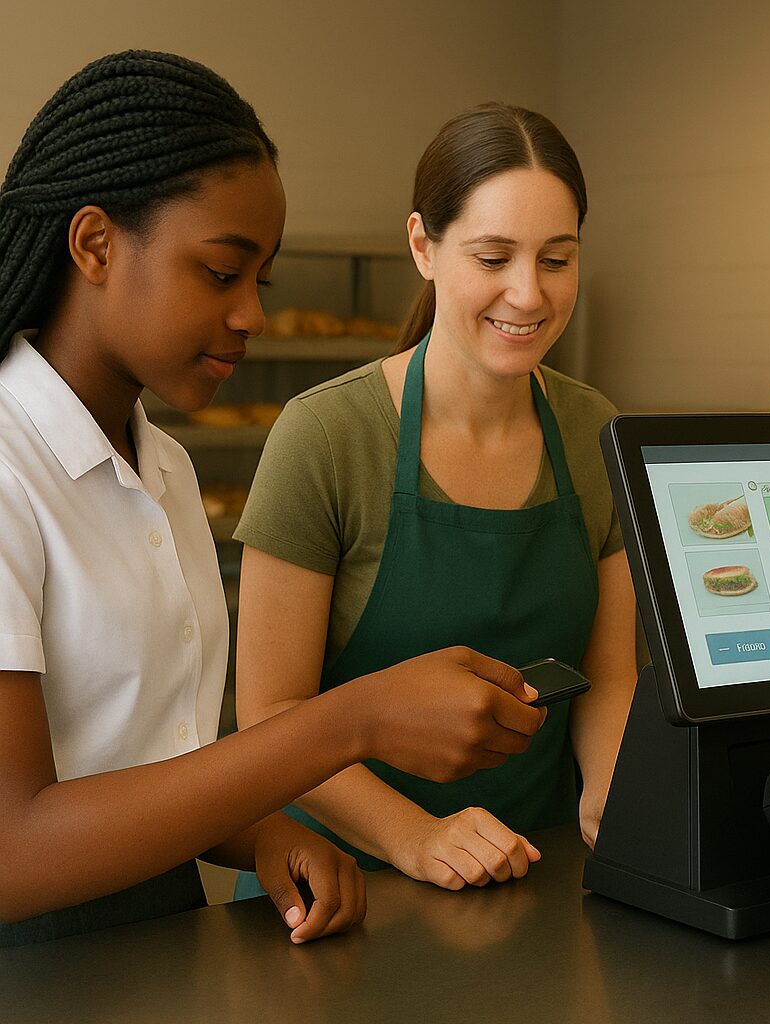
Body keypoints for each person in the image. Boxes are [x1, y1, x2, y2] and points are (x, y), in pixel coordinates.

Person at [0, 52, 549, 946]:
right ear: (96, 245)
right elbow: (12, 853)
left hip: (154, 950)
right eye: (222, 273)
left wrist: (261, 831)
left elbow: (145, 766)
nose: (253, 312)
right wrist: (352, 719)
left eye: (264, 279)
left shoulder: (164, 468)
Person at [233, 103, 636, 892]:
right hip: (335, 886)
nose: (528, 294)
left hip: (538, 875)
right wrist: (416, 837)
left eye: (557, 260)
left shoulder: (596, 430)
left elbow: (610, 673)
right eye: (493, 258)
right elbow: (269, 716)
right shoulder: (325, 436)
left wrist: (614, 790)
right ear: (423, 245)